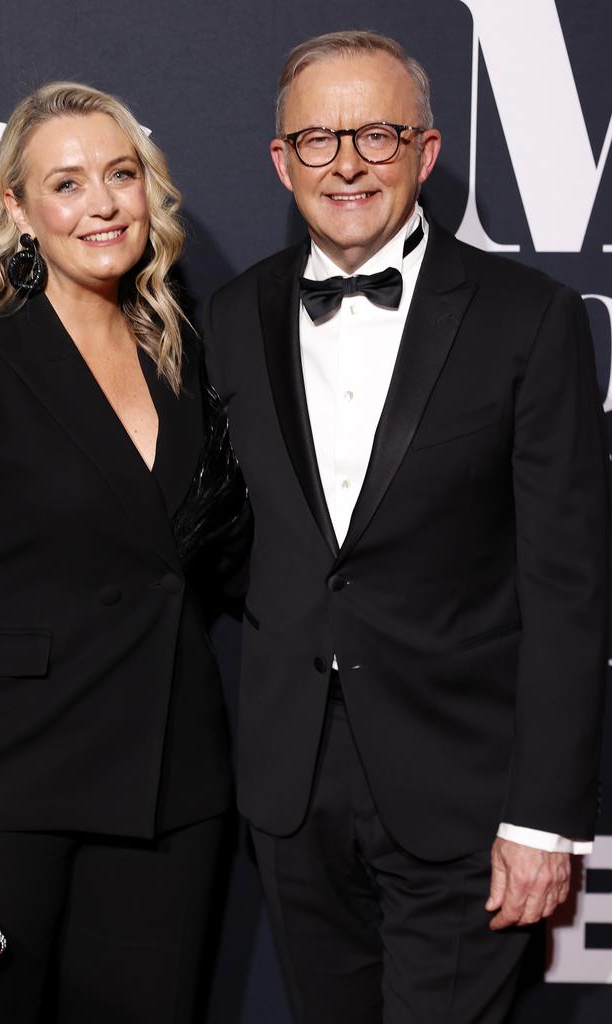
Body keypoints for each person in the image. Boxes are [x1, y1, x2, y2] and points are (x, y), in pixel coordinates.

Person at [204, 29, 609, 1024]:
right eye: (317, 139)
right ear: (280, 159)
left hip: (466, 798)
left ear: (426, 153)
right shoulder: (231, 313)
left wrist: (544, 820)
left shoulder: (532, 318)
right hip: (292, 796)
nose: (346, 163)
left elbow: (570, 585)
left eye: (377, 135)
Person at [0, 82, 233, 1023]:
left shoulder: (192, 357)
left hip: (172, 793)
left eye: (122, 175)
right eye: (67, 183)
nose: (104, 204)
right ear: (18, 211)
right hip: (9, 791)